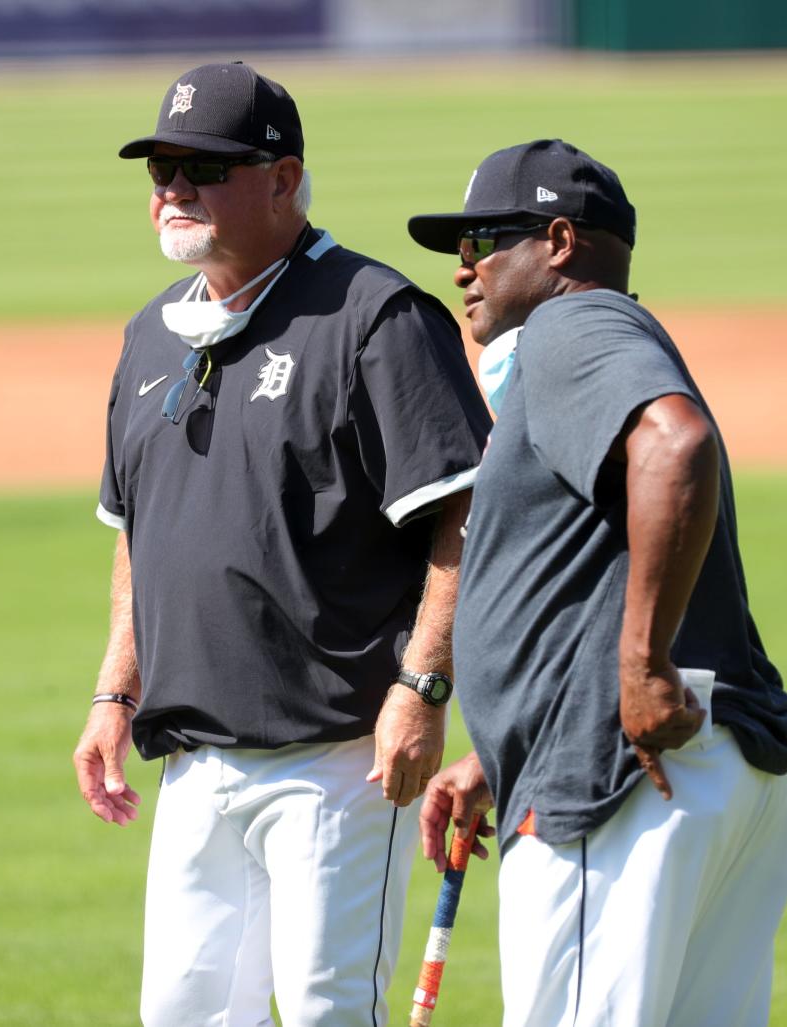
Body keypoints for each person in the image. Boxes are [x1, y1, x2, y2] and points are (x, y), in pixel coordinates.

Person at [72, 61, 492, 1027]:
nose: (174, 187)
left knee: (325, 1012)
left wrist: (423, 687)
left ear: (282, 177)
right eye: (161, 167)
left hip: (339, 758)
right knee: (183, 1012)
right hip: (192, 761)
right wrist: (114, 691)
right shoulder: (152, 337)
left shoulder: (374, 317)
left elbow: (463, 517)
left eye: (203, 166)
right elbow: (141, 531)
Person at [407, 139, 787, 1027]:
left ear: (561, 243)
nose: (464, 267)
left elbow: (675, 442)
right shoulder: (604, 339)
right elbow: (587, 573)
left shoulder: (570, 328)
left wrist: (643, 668)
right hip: (707, 763)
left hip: (621, 783)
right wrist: (499, 752)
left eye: (486, 239)